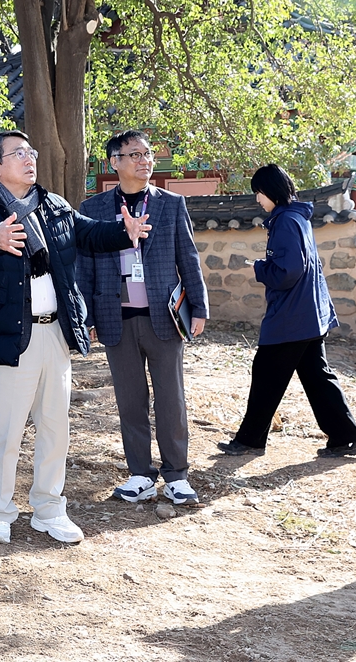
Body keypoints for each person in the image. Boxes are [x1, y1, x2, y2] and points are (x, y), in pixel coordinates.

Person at [0, 130, 151, 545]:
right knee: (4, 432)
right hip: (10, 336)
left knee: (55, 427)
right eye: (17, 153)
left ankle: (49, 508)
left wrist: (123, 230)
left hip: (55, 333)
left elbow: (91, 234)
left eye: (31, 151)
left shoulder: (53, 206)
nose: (29, 158)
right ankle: (0, 512)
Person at [77, 131, 209, 506]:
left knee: (171, 397)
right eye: (134, 154)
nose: (144, 160)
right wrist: (86, 316)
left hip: (163, 317)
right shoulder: (93, 208)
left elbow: (188, 258)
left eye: (148, 154)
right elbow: (84, 267)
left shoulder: (171, 204)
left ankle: (177, 476)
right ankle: (139, 475)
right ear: (114, 162)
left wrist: (198, 308)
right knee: (130, 399)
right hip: (114, 317)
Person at [216, 164, 356, 458]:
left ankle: (250, 440)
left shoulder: (284, 221)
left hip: (291, 316)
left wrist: (260, 267)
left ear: (269, 191)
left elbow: (287, 272)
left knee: (266, 374)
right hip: (308, 313)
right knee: (317, 377)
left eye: (258, 193)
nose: (257, 199)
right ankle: (345, 438)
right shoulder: (298, 218)